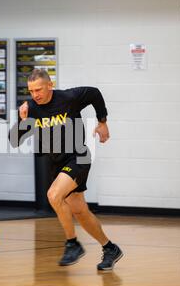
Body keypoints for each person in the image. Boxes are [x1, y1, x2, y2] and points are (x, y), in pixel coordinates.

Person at [9, 69, 123, 271]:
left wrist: (102, 122)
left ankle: (72, 244)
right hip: (58, 164)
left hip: (78, 156)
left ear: (50, 85)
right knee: (80, 210)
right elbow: (14, 141)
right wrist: (23, 120)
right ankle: (110, 248)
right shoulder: (32, 109)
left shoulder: (69, 98)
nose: (35, 95)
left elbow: (94, 93)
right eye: (31, 91)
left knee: (53, 195)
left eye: (39, 89)